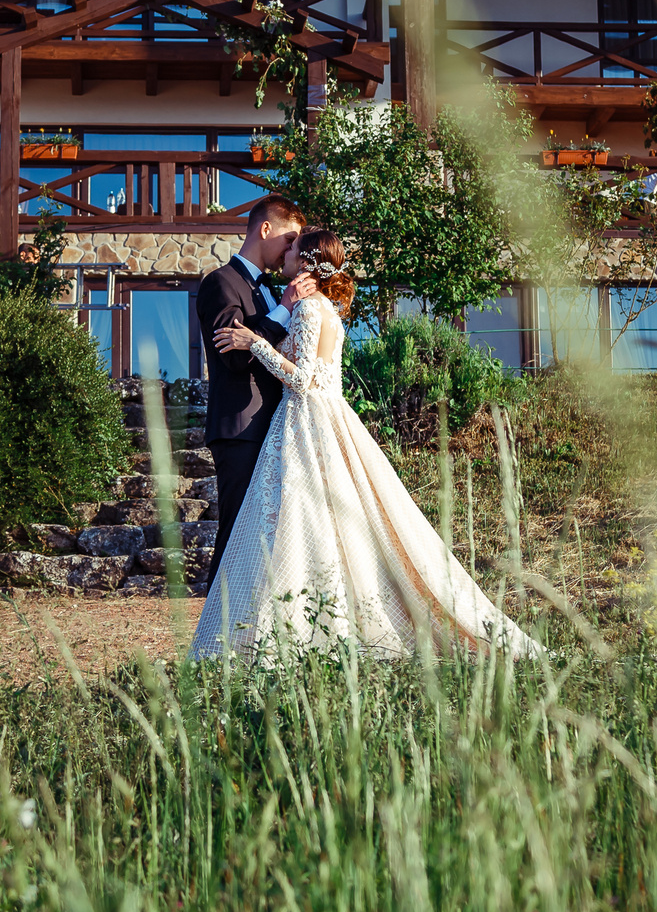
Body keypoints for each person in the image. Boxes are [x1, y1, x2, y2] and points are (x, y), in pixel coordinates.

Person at [192, 230, 541, 662]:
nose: (286, 253)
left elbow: (303, 379)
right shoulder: (324, 308)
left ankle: (298, 632)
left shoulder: (310, 309)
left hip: (306, 421)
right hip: (319, 418)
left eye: (293, 249)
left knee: (303, 521)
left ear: (307, 262)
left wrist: (256, 342)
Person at [194, 196, 301, 573]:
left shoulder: (269, 289)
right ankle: (218, 611)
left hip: (274, 426)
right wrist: (284, 309)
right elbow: (236, 358)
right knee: (236, 533)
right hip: (241, 429)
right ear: (266, 229)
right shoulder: (220, 283)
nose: (292, 249)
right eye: (290, 240)